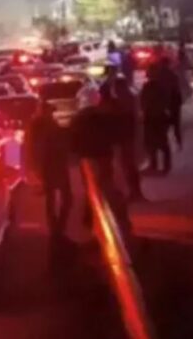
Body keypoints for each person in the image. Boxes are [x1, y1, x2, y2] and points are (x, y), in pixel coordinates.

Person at [69, 84, 129, 233]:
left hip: (87, 157)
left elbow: (72, 141)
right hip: (103, 155)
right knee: (106, 184)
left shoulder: (78, 119)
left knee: (92, 186)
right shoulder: (103, 116)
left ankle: (91, 216)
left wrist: (76, 153)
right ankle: (107, 214)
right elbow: (114, 134)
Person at [25, 101, 73, 241]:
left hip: (54, 164)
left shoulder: (43, 124)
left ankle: (57, 226)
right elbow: (34, 146)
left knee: (58, 197)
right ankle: (57, 227)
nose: (51, 114)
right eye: (50, 111)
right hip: (50, 164)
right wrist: (35, 166)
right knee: (58, 197)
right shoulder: (40, 125)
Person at [112, 76, 144, 201]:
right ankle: (134, 192)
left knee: (128, 165)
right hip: (127, 136)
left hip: (126, 137)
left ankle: (135, 192)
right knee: (128, 165)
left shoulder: (124, 100)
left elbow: (127, 119)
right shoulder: (129, 98)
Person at [140, 61, 173, 174]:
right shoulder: (152, 86)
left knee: (159, 142)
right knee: (153, 142)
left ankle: (161, 165)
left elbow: (144, 102)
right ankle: (157, 165)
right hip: (155, 116)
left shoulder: (156, 86)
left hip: (156, 117)